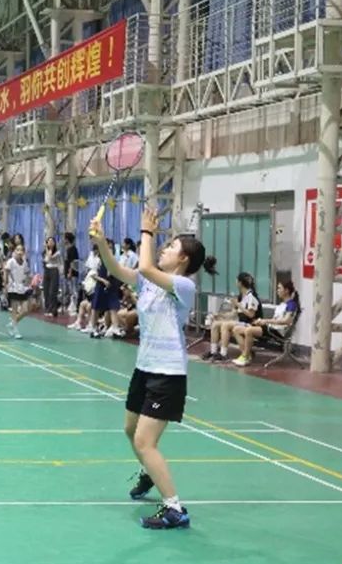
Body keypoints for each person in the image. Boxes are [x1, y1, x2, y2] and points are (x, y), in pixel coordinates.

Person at [90, 207, 217, 529]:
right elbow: (117, 270)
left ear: (183, 259)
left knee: (145, 442)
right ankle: (150, 472)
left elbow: (145, 266)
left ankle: (175, 508)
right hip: (144, 368)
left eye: (171, 246)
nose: (164, 248)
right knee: (130, 430)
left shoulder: (182, 286)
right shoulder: (148, 282)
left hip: (168, 373)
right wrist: (102, 242)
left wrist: (147, 231)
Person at [229, 279, 299, 367]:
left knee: (248, 331)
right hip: (270, 328)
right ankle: (246, 354)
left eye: (279, 288)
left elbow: (287, 321)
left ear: (286, 290)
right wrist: (261, 322)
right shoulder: (282, 304)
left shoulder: (291, 304)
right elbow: (275, 320)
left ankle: (245, 357)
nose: (277, 290)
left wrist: (266, 321)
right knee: (236, 329)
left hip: (277, 332)